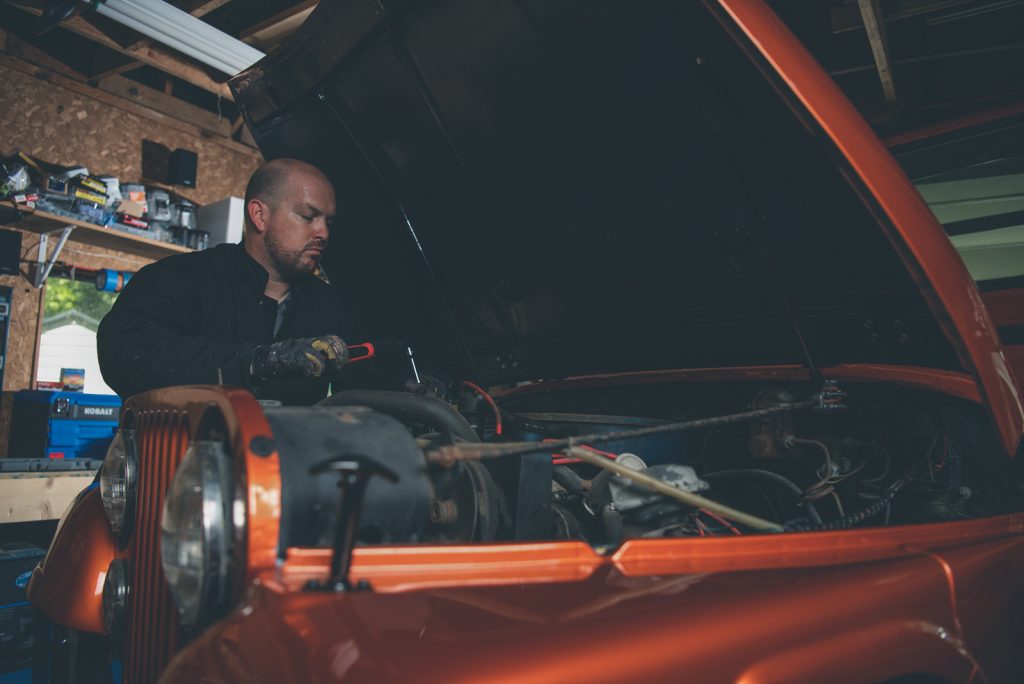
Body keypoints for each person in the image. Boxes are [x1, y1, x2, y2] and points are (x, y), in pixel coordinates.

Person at [97, 158, 358, 405]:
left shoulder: (330, 305)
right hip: (186, 451)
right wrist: (255, 362)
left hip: (287, 452)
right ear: (260, 215)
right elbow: (122, 352)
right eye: (307, 216)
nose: (323, 232)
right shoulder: (181, 277)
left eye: (328, 222)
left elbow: (360, 393)